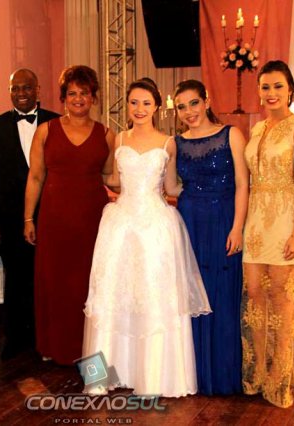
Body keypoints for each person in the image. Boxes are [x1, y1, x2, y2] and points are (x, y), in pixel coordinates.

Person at [83, 79, 211, 397]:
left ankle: (154, 377)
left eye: (146, 103)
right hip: (121, 225)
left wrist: (206, 191)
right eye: (133, 102)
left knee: (154, 297)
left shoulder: (169, 143)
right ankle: (102, 376)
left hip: (155, 228)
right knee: (114, 297)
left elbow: (171, 187)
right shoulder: (119, 138)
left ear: (156, 107)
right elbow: (114, 179)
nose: (139, 109)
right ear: (127, 105)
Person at [23, 65, 114, 365]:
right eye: (72, 93)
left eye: (84, 93)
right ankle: (55, 345)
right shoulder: (46, 131)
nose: (78, 99)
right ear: (63, 98)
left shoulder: (107, 135)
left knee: (88, 282)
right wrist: (28, 218)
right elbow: (35, 177)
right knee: (56, 281)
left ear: (94, 97)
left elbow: (110, 177)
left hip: (93, 219)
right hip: (54, 218)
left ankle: (88, 347)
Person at [242, 60, 294, 408]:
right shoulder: (257, 129)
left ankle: (280, 375)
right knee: (255, 296)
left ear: (290, 90)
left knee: (282, 301)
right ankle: (258, 369)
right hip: (256, 222)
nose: (271, 93)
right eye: (265, 87)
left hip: (286, 221)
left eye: (277, 86)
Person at [174, 79, 249, 395]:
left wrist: (237, 227)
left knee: (221, 295)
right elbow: (171, 187)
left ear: (206, 101)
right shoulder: (176, 142)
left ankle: (221, 374)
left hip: (223, 222)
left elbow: (243, 184)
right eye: (181, 107)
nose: (188, 111)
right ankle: (194, 375)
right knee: (193, 294)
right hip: (190, 223)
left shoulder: (231, 134)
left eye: (193, 103)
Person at [0, 69, 59, 359]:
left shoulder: (56, 122)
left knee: (46, 275)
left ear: (38, 90)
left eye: (27, 87)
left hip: (49, 211)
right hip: (11, 215)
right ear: (10, 91)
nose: (21, 93)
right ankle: (14, 339)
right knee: (14, 276)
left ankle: (45, 336)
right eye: (16, 88)